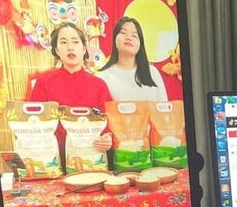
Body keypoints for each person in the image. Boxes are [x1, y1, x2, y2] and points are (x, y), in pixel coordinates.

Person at [28, 22, 112, 152]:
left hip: (91, 155)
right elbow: (33, 120)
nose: (70, 47)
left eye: (75, 42)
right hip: (54, 156)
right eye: (63, 42)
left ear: (84, 49)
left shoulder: (99, 85)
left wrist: (108, 138)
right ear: (57, 50)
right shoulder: (44, 81)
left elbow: (109, 122)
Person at [98, 16, 167, 102]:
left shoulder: (152, 72)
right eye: (123, 33)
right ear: (114, 38)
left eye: (134, 35)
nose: (129, 38)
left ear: (140, 44)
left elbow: (164, 107)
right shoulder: (103, 77)